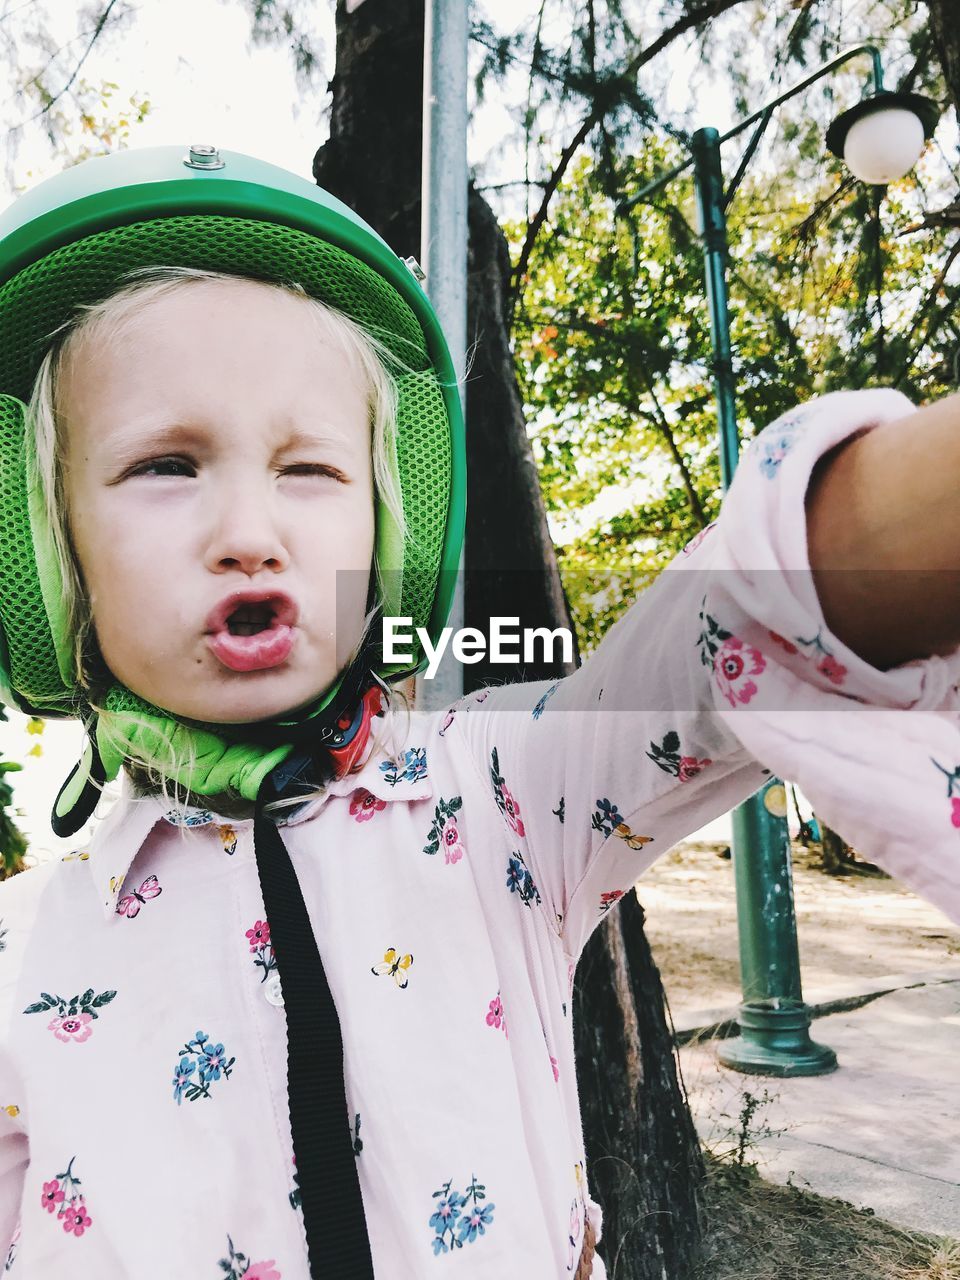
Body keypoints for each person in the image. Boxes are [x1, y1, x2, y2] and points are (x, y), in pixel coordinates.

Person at [0, 145, 958, 1280]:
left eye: (311, 469)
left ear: (387, 542)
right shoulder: (26, 954)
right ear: (52, 558)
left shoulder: (499, 799)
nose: (250, 527)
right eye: (167, 463)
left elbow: (728, 635)